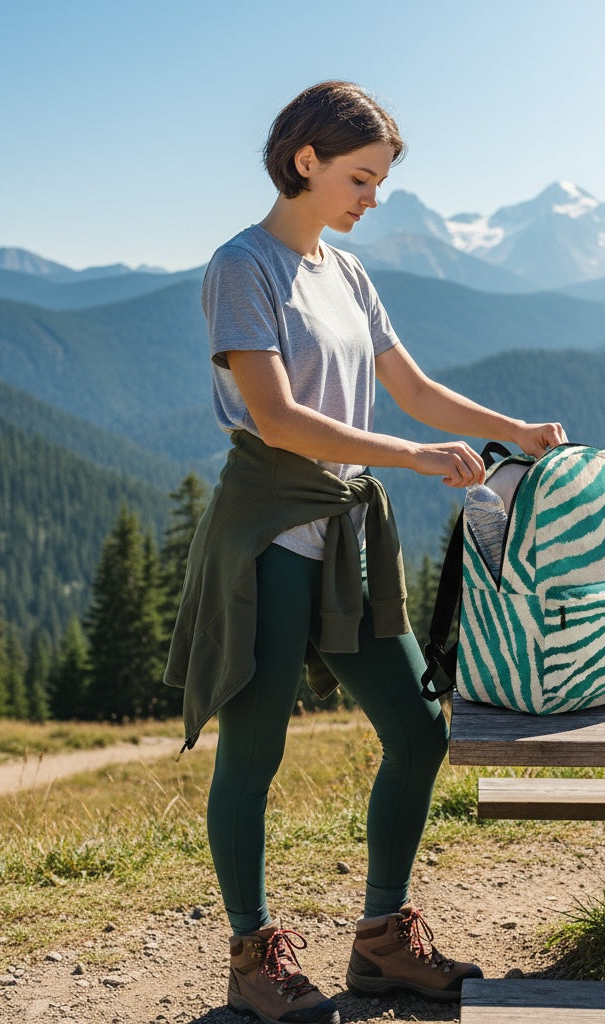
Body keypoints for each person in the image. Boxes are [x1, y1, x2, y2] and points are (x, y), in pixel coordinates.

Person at [164, 80, 568, 1024]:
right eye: (360, 177)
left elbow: (413, 388)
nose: (372, 198)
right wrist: (412, 456)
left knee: (420, 728)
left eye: (380, 180)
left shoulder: (345, 274)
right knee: (253, 754)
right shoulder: (243, 266)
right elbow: (278, 418)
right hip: (269, 529)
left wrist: (514, 428)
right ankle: (252, 954)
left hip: (343, 530)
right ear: (304, 159)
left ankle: (383, 942)